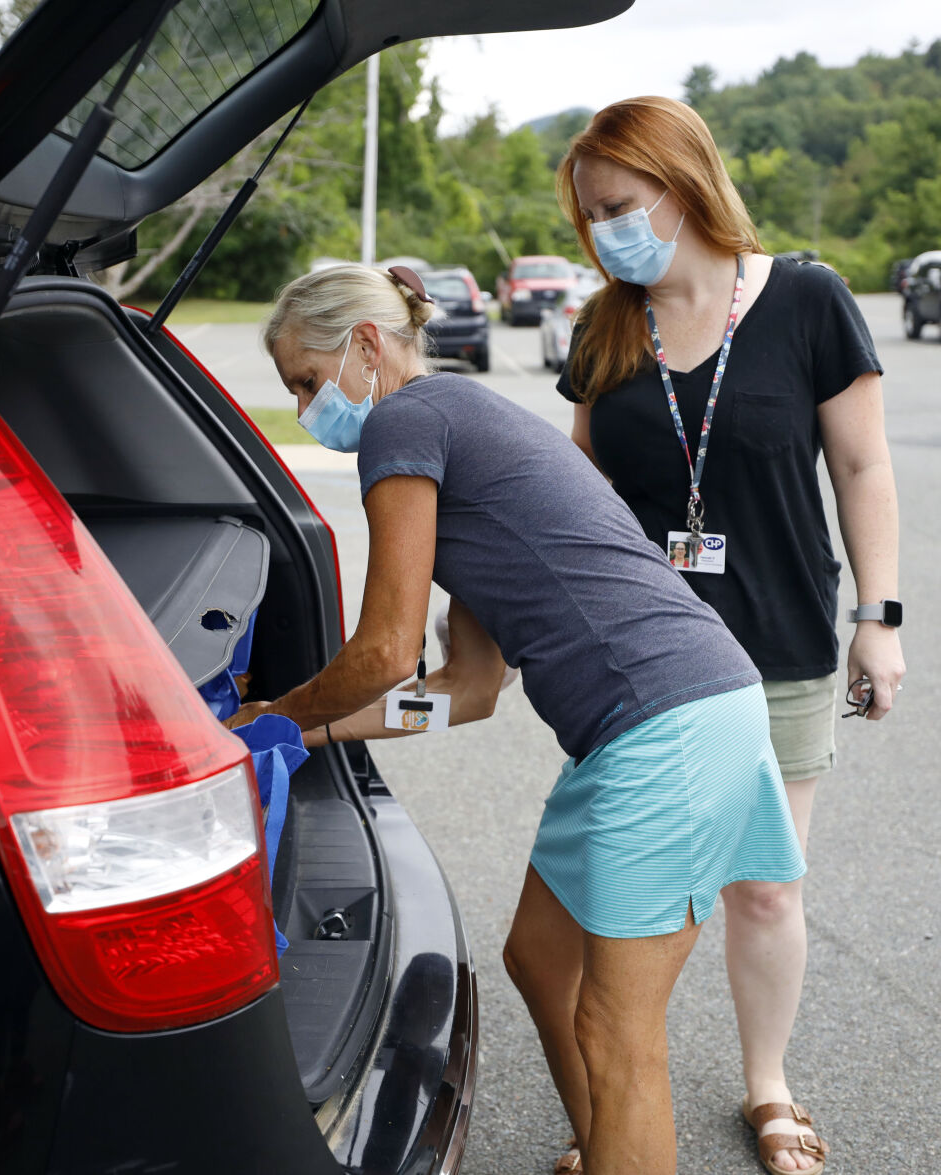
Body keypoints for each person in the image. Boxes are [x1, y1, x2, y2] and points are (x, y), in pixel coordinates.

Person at [226, 262, 808, 1175]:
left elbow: (381, 653)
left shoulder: (404, 422)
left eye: (306, 378)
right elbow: (466, 690)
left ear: (367, 345)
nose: (305, 405)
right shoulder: (466, 421)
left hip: (665, 726)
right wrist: (315, 732)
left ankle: (624, 1139)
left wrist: (270, 713)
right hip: (657, 720)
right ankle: (614, 1144)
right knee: (539, 959)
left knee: (620, 1037)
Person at [555, 95, 904, 1175]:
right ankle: (622, 1104)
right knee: (640, 884)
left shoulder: (805, 298)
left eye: (617, 204)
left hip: (780, 641)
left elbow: (861, 467)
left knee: (761, 882)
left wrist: (876, 619)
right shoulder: (606, 322)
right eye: (589, 214)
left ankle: (767, 1083)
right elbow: (578, 487)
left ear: (679, 182)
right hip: (639, 658)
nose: (604, 230)